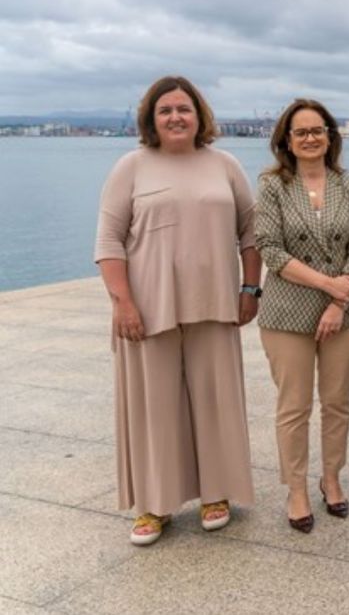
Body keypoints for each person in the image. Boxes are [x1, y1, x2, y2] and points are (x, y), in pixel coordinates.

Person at [94, 76, 258, 546]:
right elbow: (108, 241)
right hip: (147, 306)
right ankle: (154, 504)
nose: (175, 117)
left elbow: (250, 232)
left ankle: (216, 492)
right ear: (151, 119)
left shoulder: (224, 165)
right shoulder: (131, 167)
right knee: (154, 405)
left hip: (215, 302)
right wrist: (122, 302)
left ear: (199, 115)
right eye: (165, 110)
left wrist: (250, 288)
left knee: (215, 399)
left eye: (183, 108)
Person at [255, 99, 349, 533]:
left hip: (346, 310)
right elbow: (269, 248)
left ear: (330, 136)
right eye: (301, 132)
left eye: (317, 130)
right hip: (288, 311)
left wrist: (340, 301)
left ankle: (332, 478)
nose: (310, 138)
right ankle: (297, 488)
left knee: (338, 403)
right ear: (287, 140)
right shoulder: (272, 186)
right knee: (294, 406)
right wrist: (327, 286)